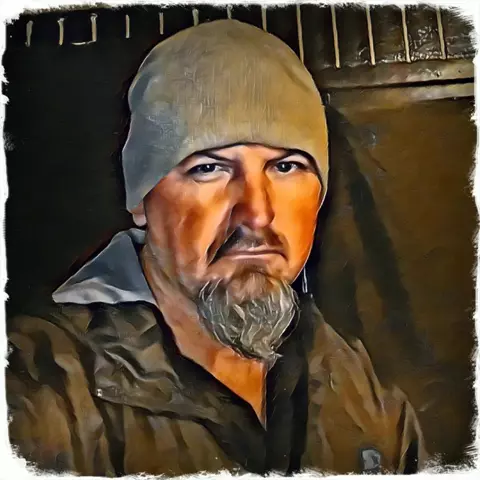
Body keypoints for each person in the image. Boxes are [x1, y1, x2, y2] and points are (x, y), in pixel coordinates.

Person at [6, 19, 427, 476]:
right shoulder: (38, 388)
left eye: (286, 166)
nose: (257, 214)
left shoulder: (360, 392)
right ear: (142, 200)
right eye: (209, 168)